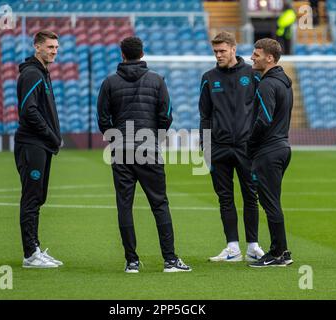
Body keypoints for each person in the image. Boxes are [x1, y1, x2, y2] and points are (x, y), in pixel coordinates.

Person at [97, 36, 191, 273]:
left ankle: (132, 261)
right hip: (148, 149)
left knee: (124, 205)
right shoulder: (157, 80)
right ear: (142, 53)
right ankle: (170, 260)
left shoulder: (109, 82)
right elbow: (166, 115)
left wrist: (115, 137)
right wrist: (154, 138)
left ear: (122, 55)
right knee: (159, 203)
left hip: (121, 151)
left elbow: (102, 118)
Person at [199, 31, 265, 263]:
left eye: (222, 51)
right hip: (218, 148)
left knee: (251, 196)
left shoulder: (252, 74)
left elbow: (261, 110)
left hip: (247, 148)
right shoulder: (208, 77)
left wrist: (259, 142)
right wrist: (204, 146)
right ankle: (232, 247)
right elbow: (205, 116)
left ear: (233, 49)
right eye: (215, 51)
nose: (218, 55)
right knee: (225, 198)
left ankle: (253, 246)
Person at [14, 30, 63, 268]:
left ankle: (34, 249)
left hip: (41, 145)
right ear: (37, 47)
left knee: (38, 197)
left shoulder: (42, 73)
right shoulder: (32, 74)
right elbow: (29, 111)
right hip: (32, 144)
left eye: (56, 47)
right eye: (50, 47)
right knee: (31, 198)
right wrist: (52, 135)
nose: (54, 51)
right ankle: (30, 254)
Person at [247, 38, 294, 267]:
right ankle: (283, 251)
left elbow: (263, 120)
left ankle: (276, 253)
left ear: (269, 58)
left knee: (270, 204)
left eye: (256, 54)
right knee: (273, 202)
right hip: (283, 147)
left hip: (268, 151)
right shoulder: (285, 82)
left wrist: (250, 144)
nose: (251, 58)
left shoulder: (267, 84)